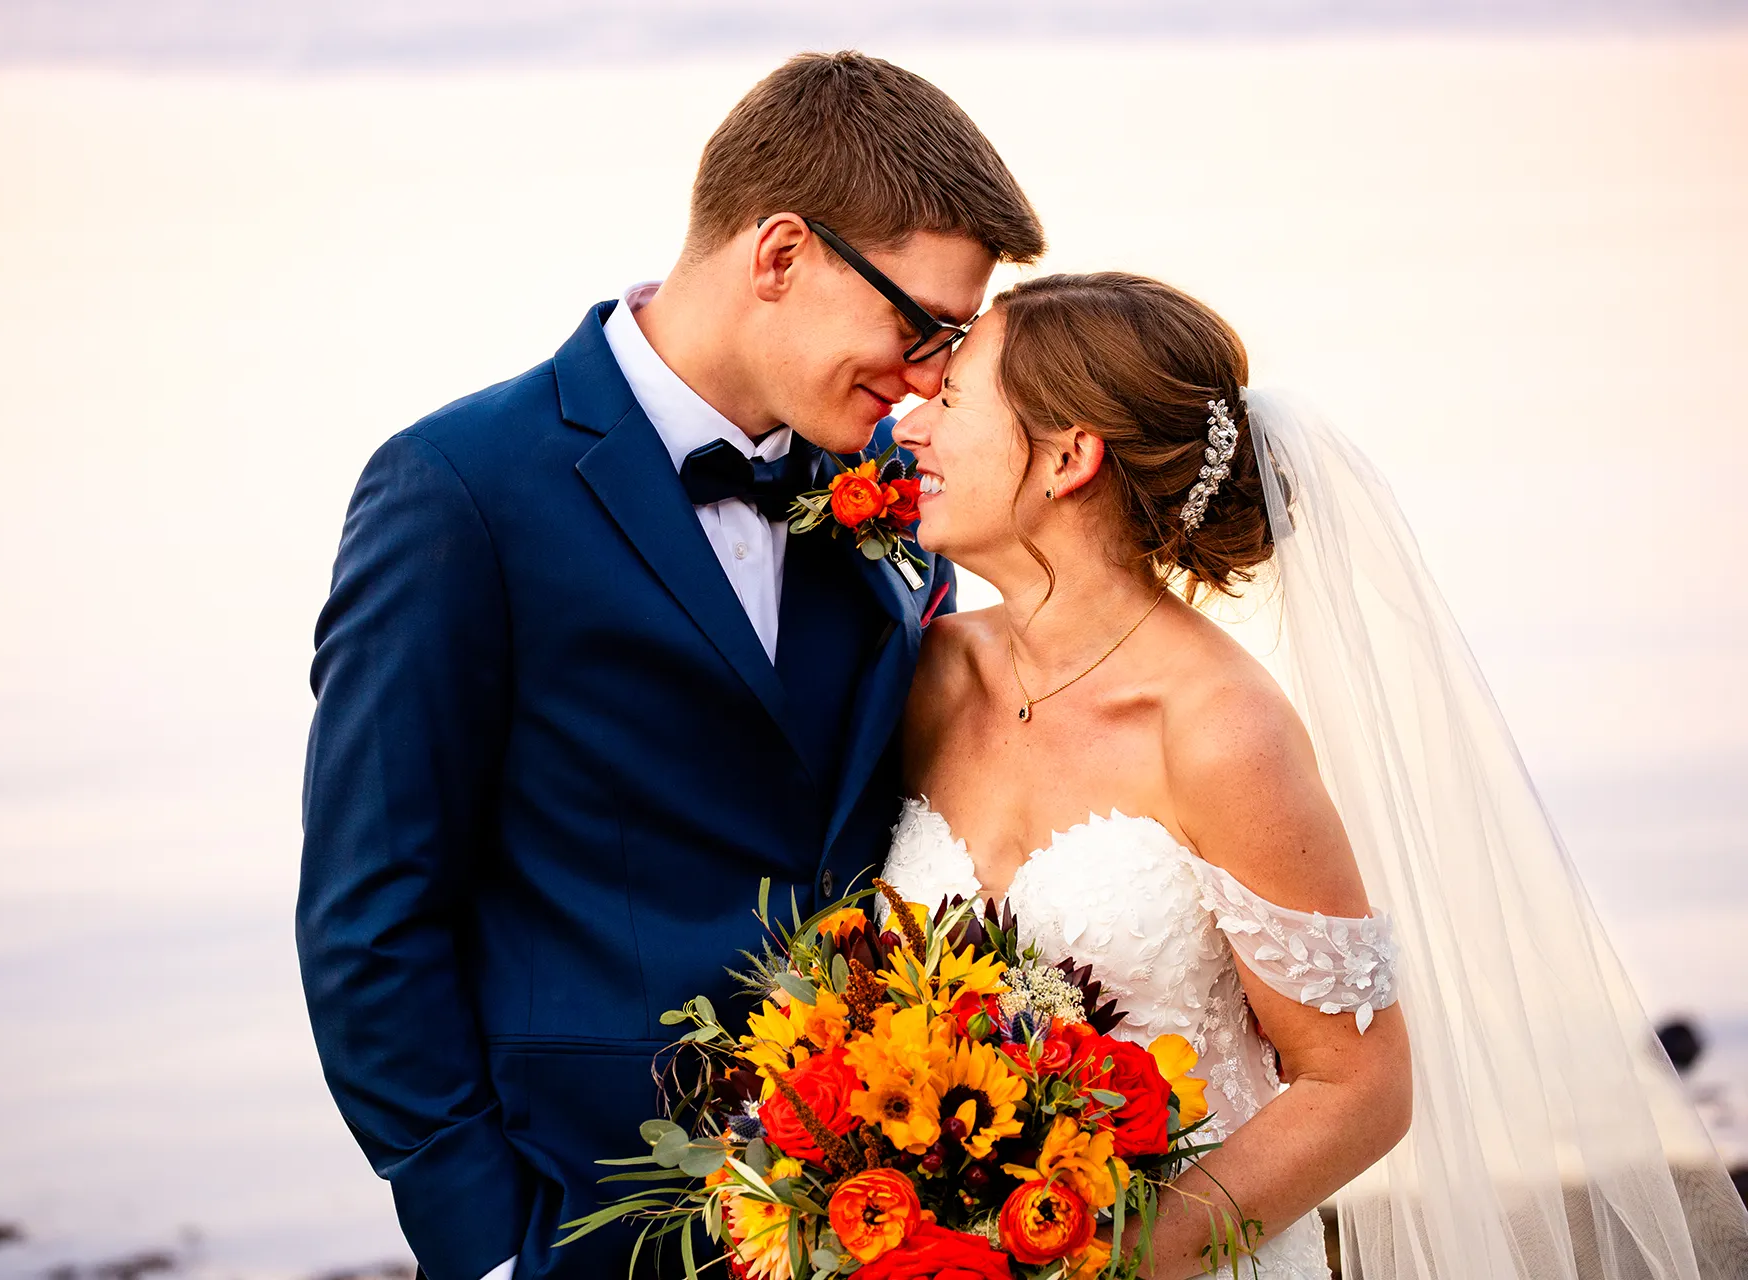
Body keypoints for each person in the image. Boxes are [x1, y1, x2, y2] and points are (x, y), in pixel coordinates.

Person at [295, 51, 1043, 1280]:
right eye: (914, 325)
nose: (923, 380)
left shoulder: (894, 496)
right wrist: (484, 1241)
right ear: (780, 254)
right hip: (583, 1210)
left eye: (948, 344)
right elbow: (368, 914)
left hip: (882, 1206)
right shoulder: (458, 490)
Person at [884, 273, 1748, 1277]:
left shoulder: (1218, 726)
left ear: (1070, 456)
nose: (910, 428)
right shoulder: (930, 675)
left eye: (950, 402)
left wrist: (1104, 1263)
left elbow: (1358, 1084)